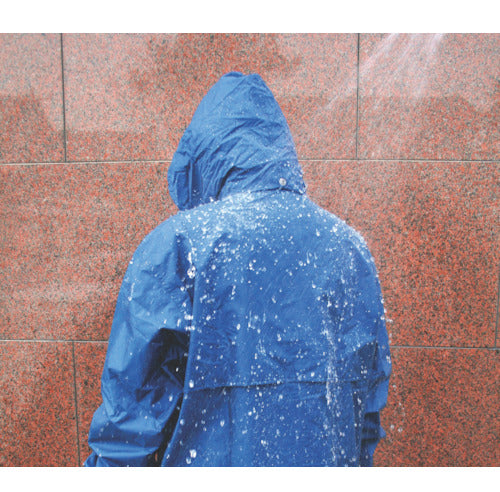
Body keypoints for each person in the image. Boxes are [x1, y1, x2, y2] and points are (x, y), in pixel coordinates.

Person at [85, 72, 391, 467]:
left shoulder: (178, 245)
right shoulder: (348, 247)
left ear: (204, 154)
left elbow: (129, 420)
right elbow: (364, 404)